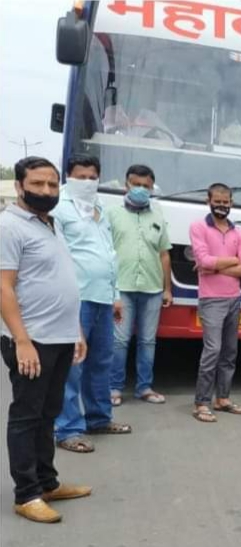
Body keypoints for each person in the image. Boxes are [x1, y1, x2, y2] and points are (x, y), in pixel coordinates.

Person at [0, 156, 91, 523]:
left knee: (48, 413)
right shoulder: (9, 226)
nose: (46, 190)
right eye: (37, 184)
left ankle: (47, 482)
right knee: (27, 415)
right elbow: (4, 287)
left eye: (52, 184)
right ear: (19, 186)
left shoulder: (49, 224)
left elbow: (59, 280)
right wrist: (22, 341)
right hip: (32, 340)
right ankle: (27, 494)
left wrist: (76, 332)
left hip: (60, 338)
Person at [53, 155, 132, 454]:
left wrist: (114, 295)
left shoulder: (100, 207)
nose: (87, 182)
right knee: (72, 365)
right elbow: (59, 257)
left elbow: (109, 253)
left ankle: (99, 418)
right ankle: (68, 428)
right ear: (68, 176)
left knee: (101, 361)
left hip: (102, 297)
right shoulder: (59, 208)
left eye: (92, 177)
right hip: (76, 298)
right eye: (81, 176)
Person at [106, 165, 172, 406]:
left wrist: (167, 289)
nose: (141, 189)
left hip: (152, 289)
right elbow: (105, 251)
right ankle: (114, 388)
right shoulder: (111, 214)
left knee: (147, 341)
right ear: (126, 185)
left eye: (146, 186)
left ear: (152, 188)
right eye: (136, 184)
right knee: (120, 341)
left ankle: (144, 387)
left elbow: (164, 254)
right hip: (121, 288)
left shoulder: (157, 216)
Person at [189, 183, 241, 423]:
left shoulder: (239, 233)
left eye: (226, 202)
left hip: (234, 298)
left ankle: (223, 398)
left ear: (231, 203)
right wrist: (232, 261)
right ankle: (201, 403)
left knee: (229, 351)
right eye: (217, 201)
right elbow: (203, 260)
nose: (222, 206)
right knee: (212, 350)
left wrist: (214, 266)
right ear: (208, 201)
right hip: (211, 299)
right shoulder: (198, 227)